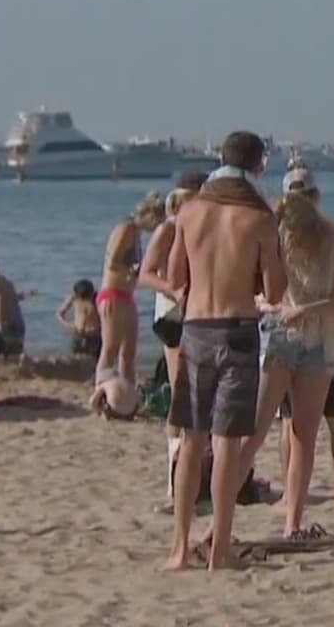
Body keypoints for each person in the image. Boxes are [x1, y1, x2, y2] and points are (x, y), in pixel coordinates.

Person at [163, 130, 286, 571]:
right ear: (259, 165)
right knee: (227, 443)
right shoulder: (259, 217)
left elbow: (175, 277)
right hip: (238, 328)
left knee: (191, 441)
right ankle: (220, 550)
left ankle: (179, 549)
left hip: (196, 327)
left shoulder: (190, 211)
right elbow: (275, 290)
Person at [272, 169, 334, 514]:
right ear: (316, 196)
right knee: (332, 417)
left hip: (298, 331)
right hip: (326, 332)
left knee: (293, 421)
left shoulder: (277, 234)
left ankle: (294, 493)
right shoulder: (333, 232)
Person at [139, 187, 198, 496]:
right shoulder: (168, 229)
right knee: (180, 395)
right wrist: (173, 290)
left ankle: (193, 468)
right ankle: (174, 474)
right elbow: (145, 274)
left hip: (198, 315)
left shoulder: (200, 228)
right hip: (173, 316)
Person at [97, 191, 165, 387]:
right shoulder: (126, 229)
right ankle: (101, 389)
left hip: (127, 296)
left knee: (128, 352)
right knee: (110, 349)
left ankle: (128, 392)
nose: (156, 227)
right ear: (149, 215)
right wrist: (135, 270)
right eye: (157, 222)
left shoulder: (136, 235)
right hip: (113, 294)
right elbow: (113, 261)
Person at [0, 260, 34, 358]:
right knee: (16, 356)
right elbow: (13, 297)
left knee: (2, 356)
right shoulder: (8, 283)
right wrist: (25, 295)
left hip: (5, 324)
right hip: (18, 323)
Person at [56, 279, 102, 359]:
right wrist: (67, 324)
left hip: (95, 335)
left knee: (94, 358)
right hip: (78, 333)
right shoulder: (73, 299)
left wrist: (101, 327)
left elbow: (109, 317)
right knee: (74, 356)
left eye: (87, 297)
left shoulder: (98, 299)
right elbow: (60, 313)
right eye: (82, 298)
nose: (85, 300)